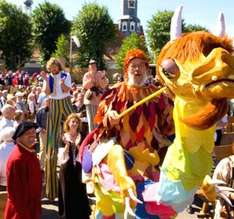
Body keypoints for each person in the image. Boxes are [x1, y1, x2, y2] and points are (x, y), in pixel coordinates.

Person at [80, 49, 174, 218]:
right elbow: (101, 122)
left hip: (149, 159)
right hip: (121, 157)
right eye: (133, 66)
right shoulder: (115, 93)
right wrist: (109, 118)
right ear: (126, 71)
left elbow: (169, 126)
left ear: (147, 69)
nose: (137, 70)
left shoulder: (157, 95)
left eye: (141, 66)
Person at [41, 57, 75, 200]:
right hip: (54, 103)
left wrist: (61, 84)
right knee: (51, 141)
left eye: (55, 67)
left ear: (58, 66)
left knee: (73, 124)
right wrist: (45, 79)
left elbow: (68, 90)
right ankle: (51, 189)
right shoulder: (48, 77)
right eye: (51, 67)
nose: (53, 69)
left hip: (65, 102)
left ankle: (76, 149)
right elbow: (48, 93)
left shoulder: (66, 75)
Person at [4, 121, 42, 219]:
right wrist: (24, 214)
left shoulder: (29, 152)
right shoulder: (18, 159)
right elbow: (16, 194)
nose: (32, 136)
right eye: (28, 134)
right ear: (19, 137)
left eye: (34, 133)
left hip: (32, 207)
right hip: (22, 212)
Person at [58, 113, 91, 219]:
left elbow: (84, 151)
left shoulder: (82, 136)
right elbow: (61, 156)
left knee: (79, 189)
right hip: (66, 167)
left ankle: (80, 212)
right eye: (72, 121)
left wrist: (77, 144)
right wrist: (67, 145)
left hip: (78, 167)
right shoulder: (63, 136)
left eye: (76, 122)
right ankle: (67, 214)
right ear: (68, 123)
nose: (74, 124)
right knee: (67, 190)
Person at [82, 59, 109, 132]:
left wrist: (102, 78)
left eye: (94, 65)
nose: (93, 66)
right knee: (92, 121)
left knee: (101, 120)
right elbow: (85, 86)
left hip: (100, 100)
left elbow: (104, 85)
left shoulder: (100, 74)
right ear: (89, 66)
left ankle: (101, 135)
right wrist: (92, 79)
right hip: (90, 100)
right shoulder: (87, 75)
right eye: (91, 65)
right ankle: (92, 138)